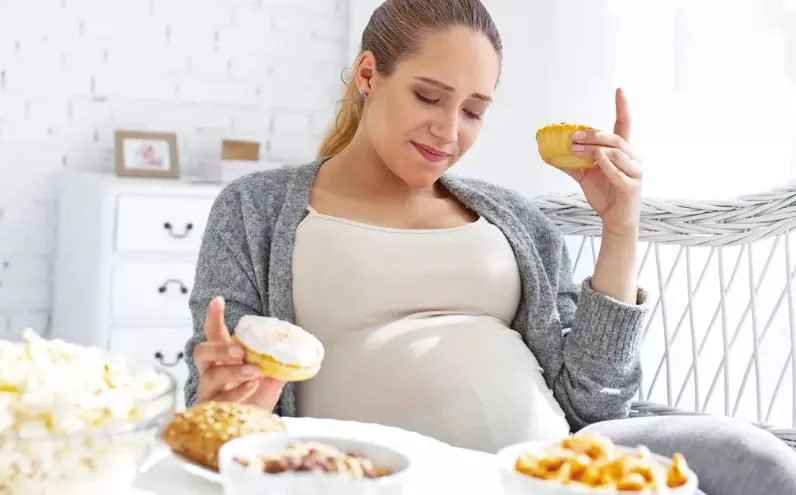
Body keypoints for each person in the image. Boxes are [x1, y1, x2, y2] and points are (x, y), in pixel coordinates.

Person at [184, 1, 796, 493]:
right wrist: (228, 398)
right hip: (389, 478)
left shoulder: (515, 220)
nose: (449, 132)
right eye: (429, 97)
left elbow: (596, 403)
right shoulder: (255, 210)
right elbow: (216, 413)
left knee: (759, 460)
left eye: (473, 111)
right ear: (369, 75)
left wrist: (619, 229)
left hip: (554, 469)